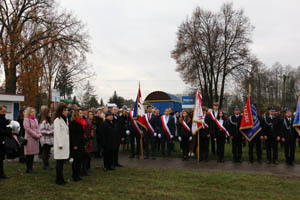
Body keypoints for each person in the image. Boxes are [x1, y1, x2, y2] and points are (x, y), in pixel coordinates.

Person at [53, 103, 69, 185]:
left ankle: (61, 178)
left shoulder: (65, 119)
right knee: (59, 163)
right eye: (65, 110)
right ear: (60, 111)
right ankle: (58, 179)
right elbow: (57, 133)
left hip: (65, 144)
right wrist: (60, 144)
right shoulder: (57, 120)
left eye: (67, 110)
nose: (67, 111)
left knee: (62, 163)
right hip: (60, 145)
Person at [23, 107, 42, 173]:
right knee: (29, 154)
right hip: (29, 139)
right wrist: (36, 135)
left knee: (32, 154)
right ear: (28, 112)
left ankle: (31, 167)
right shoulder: (26, 119)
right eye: (31, 112)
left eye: (34, 111)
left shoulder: (35, 119)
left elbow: (37, 127)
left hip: (35, 139)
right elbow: (28, 129)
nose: (33, 113)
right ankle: (28, 168)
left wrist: (39, 133)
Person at [69, 109, 85, 181]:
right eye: (80, 113)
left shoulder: (81, 122)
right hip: (75, 145)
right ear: (76, 114)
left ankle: (78, 174)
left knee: (80, 160)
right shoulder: (73, 123)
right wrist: (74, 145)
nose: (82, 114)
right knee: (75, 160)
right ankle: (74, 176)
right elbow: (73, 135)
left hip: (81, 144)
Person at [0, 105, 12, 179]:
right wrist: (8, 131)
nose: (4, 113)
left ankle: (2, 174)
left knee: (1, 158)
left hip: (3, 140)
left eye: (5, 111)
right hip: (1, 139)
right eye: (3, 111)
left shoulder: (3, 118)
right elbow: (1, 130)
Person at [82, 110, 94, 175]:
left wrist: (91, 135)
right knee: (85, 155)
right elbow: (82, 130)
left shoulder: (88, 119)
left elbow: (91, 128)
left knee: (89, 155)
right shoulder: (82, 119)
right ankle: (84, 169)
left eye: (86, 111)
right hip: (85, 140)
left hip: (89, 139)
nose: (85, 112)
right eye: (84, 111)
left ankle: (87, 168)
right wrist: (85, 137)